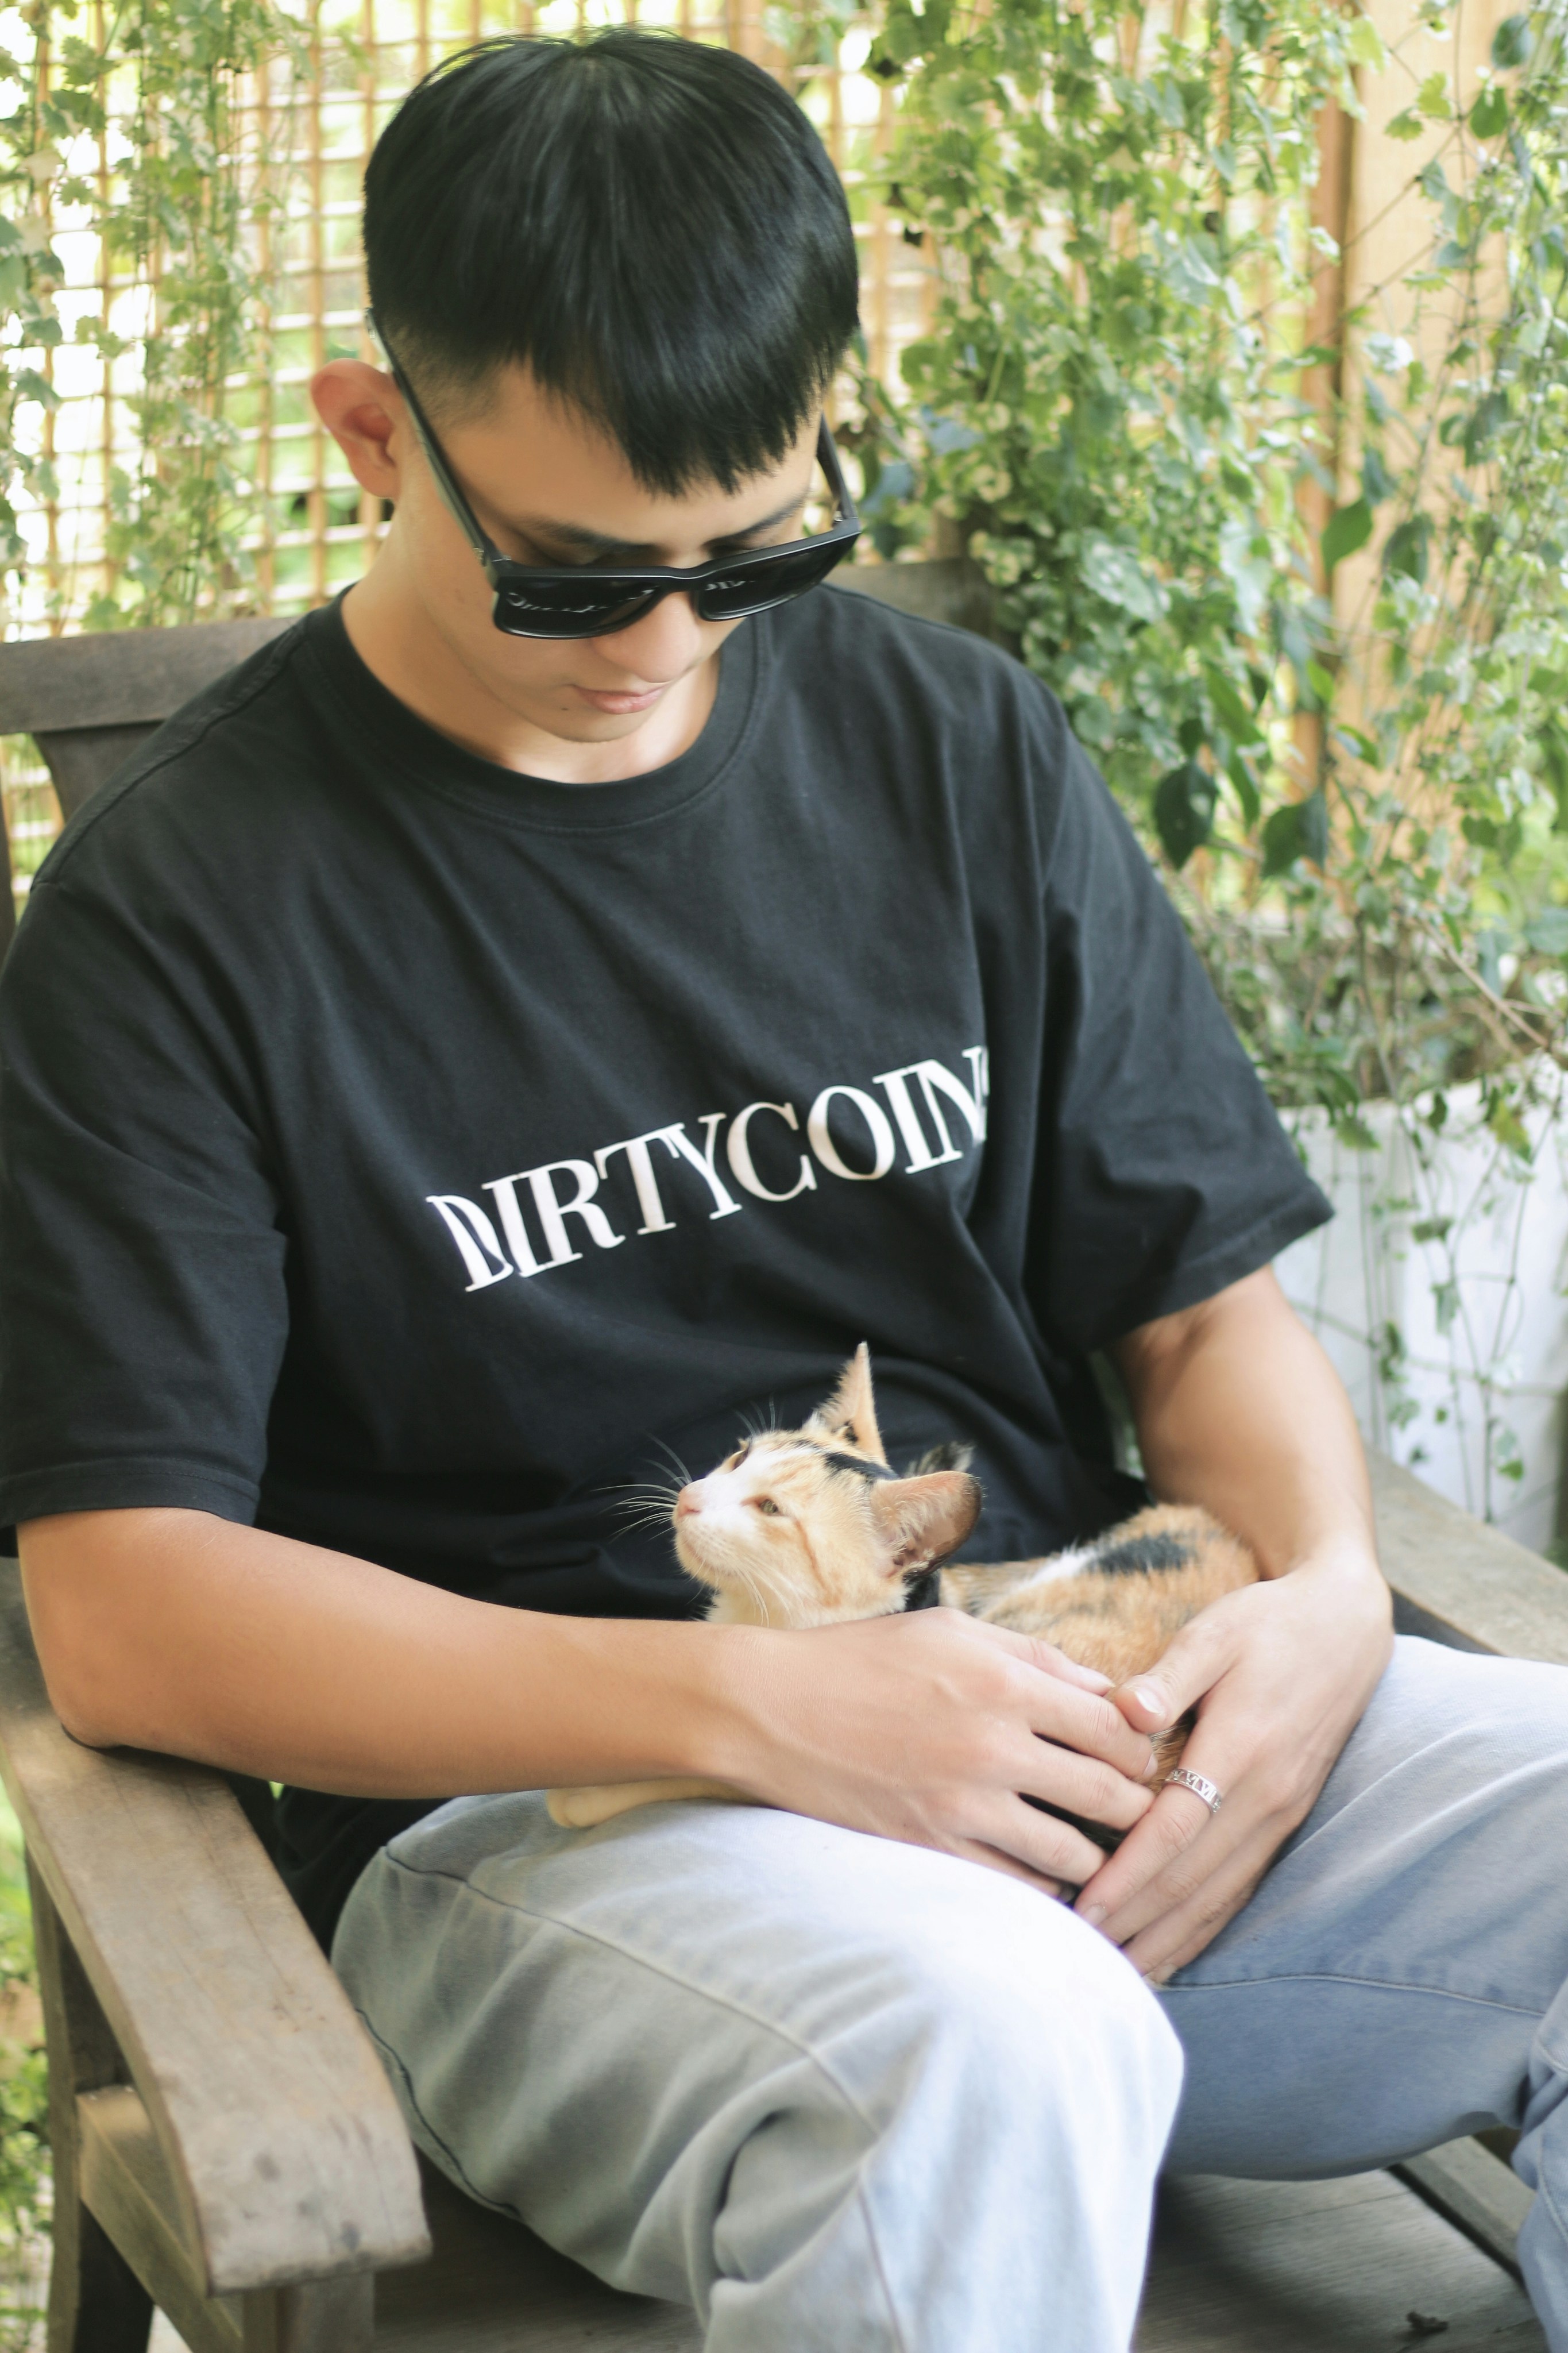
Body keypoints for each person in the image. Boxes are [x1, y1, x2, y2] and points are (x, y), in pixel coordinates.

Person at [1, 30, 1565, 2353]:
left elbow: (1198, 1308)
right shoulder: (178, 916)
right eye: (571, 577)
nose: (665, 646)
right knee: (975, 2039)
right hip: (548, 1837)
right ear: (368, 435)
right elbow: (130, 1613)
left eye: (759, 555)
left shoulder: (944, 746)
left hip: (1059, 1715)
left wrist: (1326, 1593)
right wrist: (752, 1714)